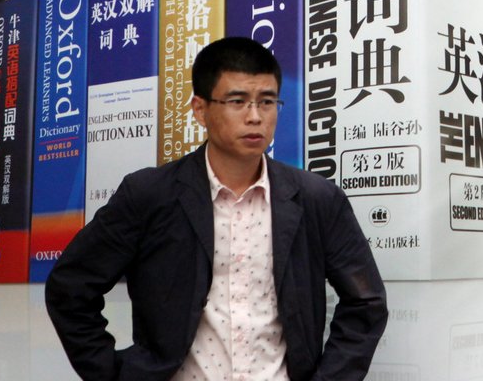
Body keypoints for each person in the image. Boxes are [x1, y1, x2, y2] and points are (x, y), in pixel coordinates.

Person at [46, 37, 387, 381]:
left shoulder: (317, 200)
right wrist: (115, 374)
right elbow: (70, 288)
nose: (255, 117)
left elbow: (366, 302)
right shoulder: (150, 194)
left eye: (267, 101)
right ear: (200, 109)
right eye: (237, 101)